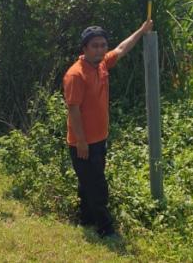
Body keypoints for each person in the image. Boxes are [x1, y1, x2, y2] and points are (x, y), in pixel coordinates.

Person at [63, 20, 153, 238]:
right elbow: (73, 110)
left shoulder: (102, 64)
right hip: (82, 143)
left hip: (99, 139)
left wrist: (141, 31)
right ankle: (106, 228)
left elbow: (122, 48)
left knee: (88, 183)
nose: (100, 49)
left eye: (103, 45)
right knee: (98, 186)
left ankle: (85, 219)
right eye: (95, 45)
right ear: (84, 48)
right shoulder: (76, 74)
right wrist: (82, 142)